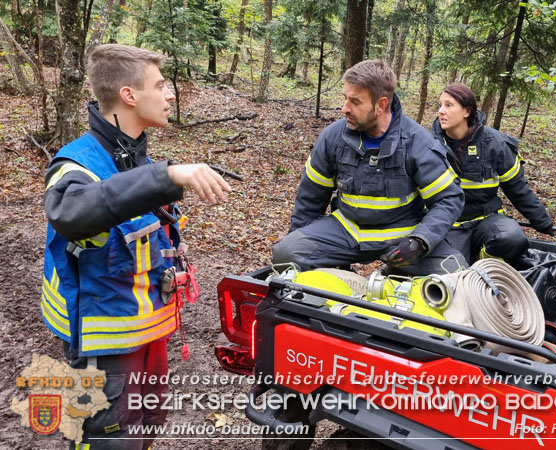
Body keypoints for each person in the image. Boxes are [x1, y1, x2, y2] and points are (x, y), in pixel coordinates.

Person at [41, 44, 231, 449]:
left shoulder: (135, 160)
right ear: (129, 95)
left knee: (146, 429)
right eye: (160, 85)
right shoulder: (76, 164)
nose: (170, 94)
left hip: (147, 335)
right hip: (103, 344)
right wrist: (169, 176)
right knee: (110, 441)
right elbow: (71, 211)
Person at [272, 60, 465, 275]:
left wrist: (420, 241)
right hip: (346, 230)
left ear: (381, 105)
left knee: (454, 272)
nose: (344, 108)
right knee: (286, 255)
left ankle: (395, 276)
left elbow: (448, 199)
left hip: (403, 235)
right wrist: (298, 246)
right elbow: (311, 199)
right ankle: (341, 277)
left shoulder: (418, 143)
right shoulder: (333, 138)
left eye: (355, 101)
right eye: (345, 98)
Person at [430, 84, 553, 268]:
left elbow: (517, 189)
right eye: (440, 105)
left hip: (486, 219)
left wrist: (542, 222)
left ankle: (484, 264)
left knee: (513, 238)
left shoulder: (496, 144)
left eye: (449, 105)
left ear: (466, 111)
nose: (441, 111)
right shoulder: (429, 145)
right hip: (449, 224)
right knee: (450, 269)